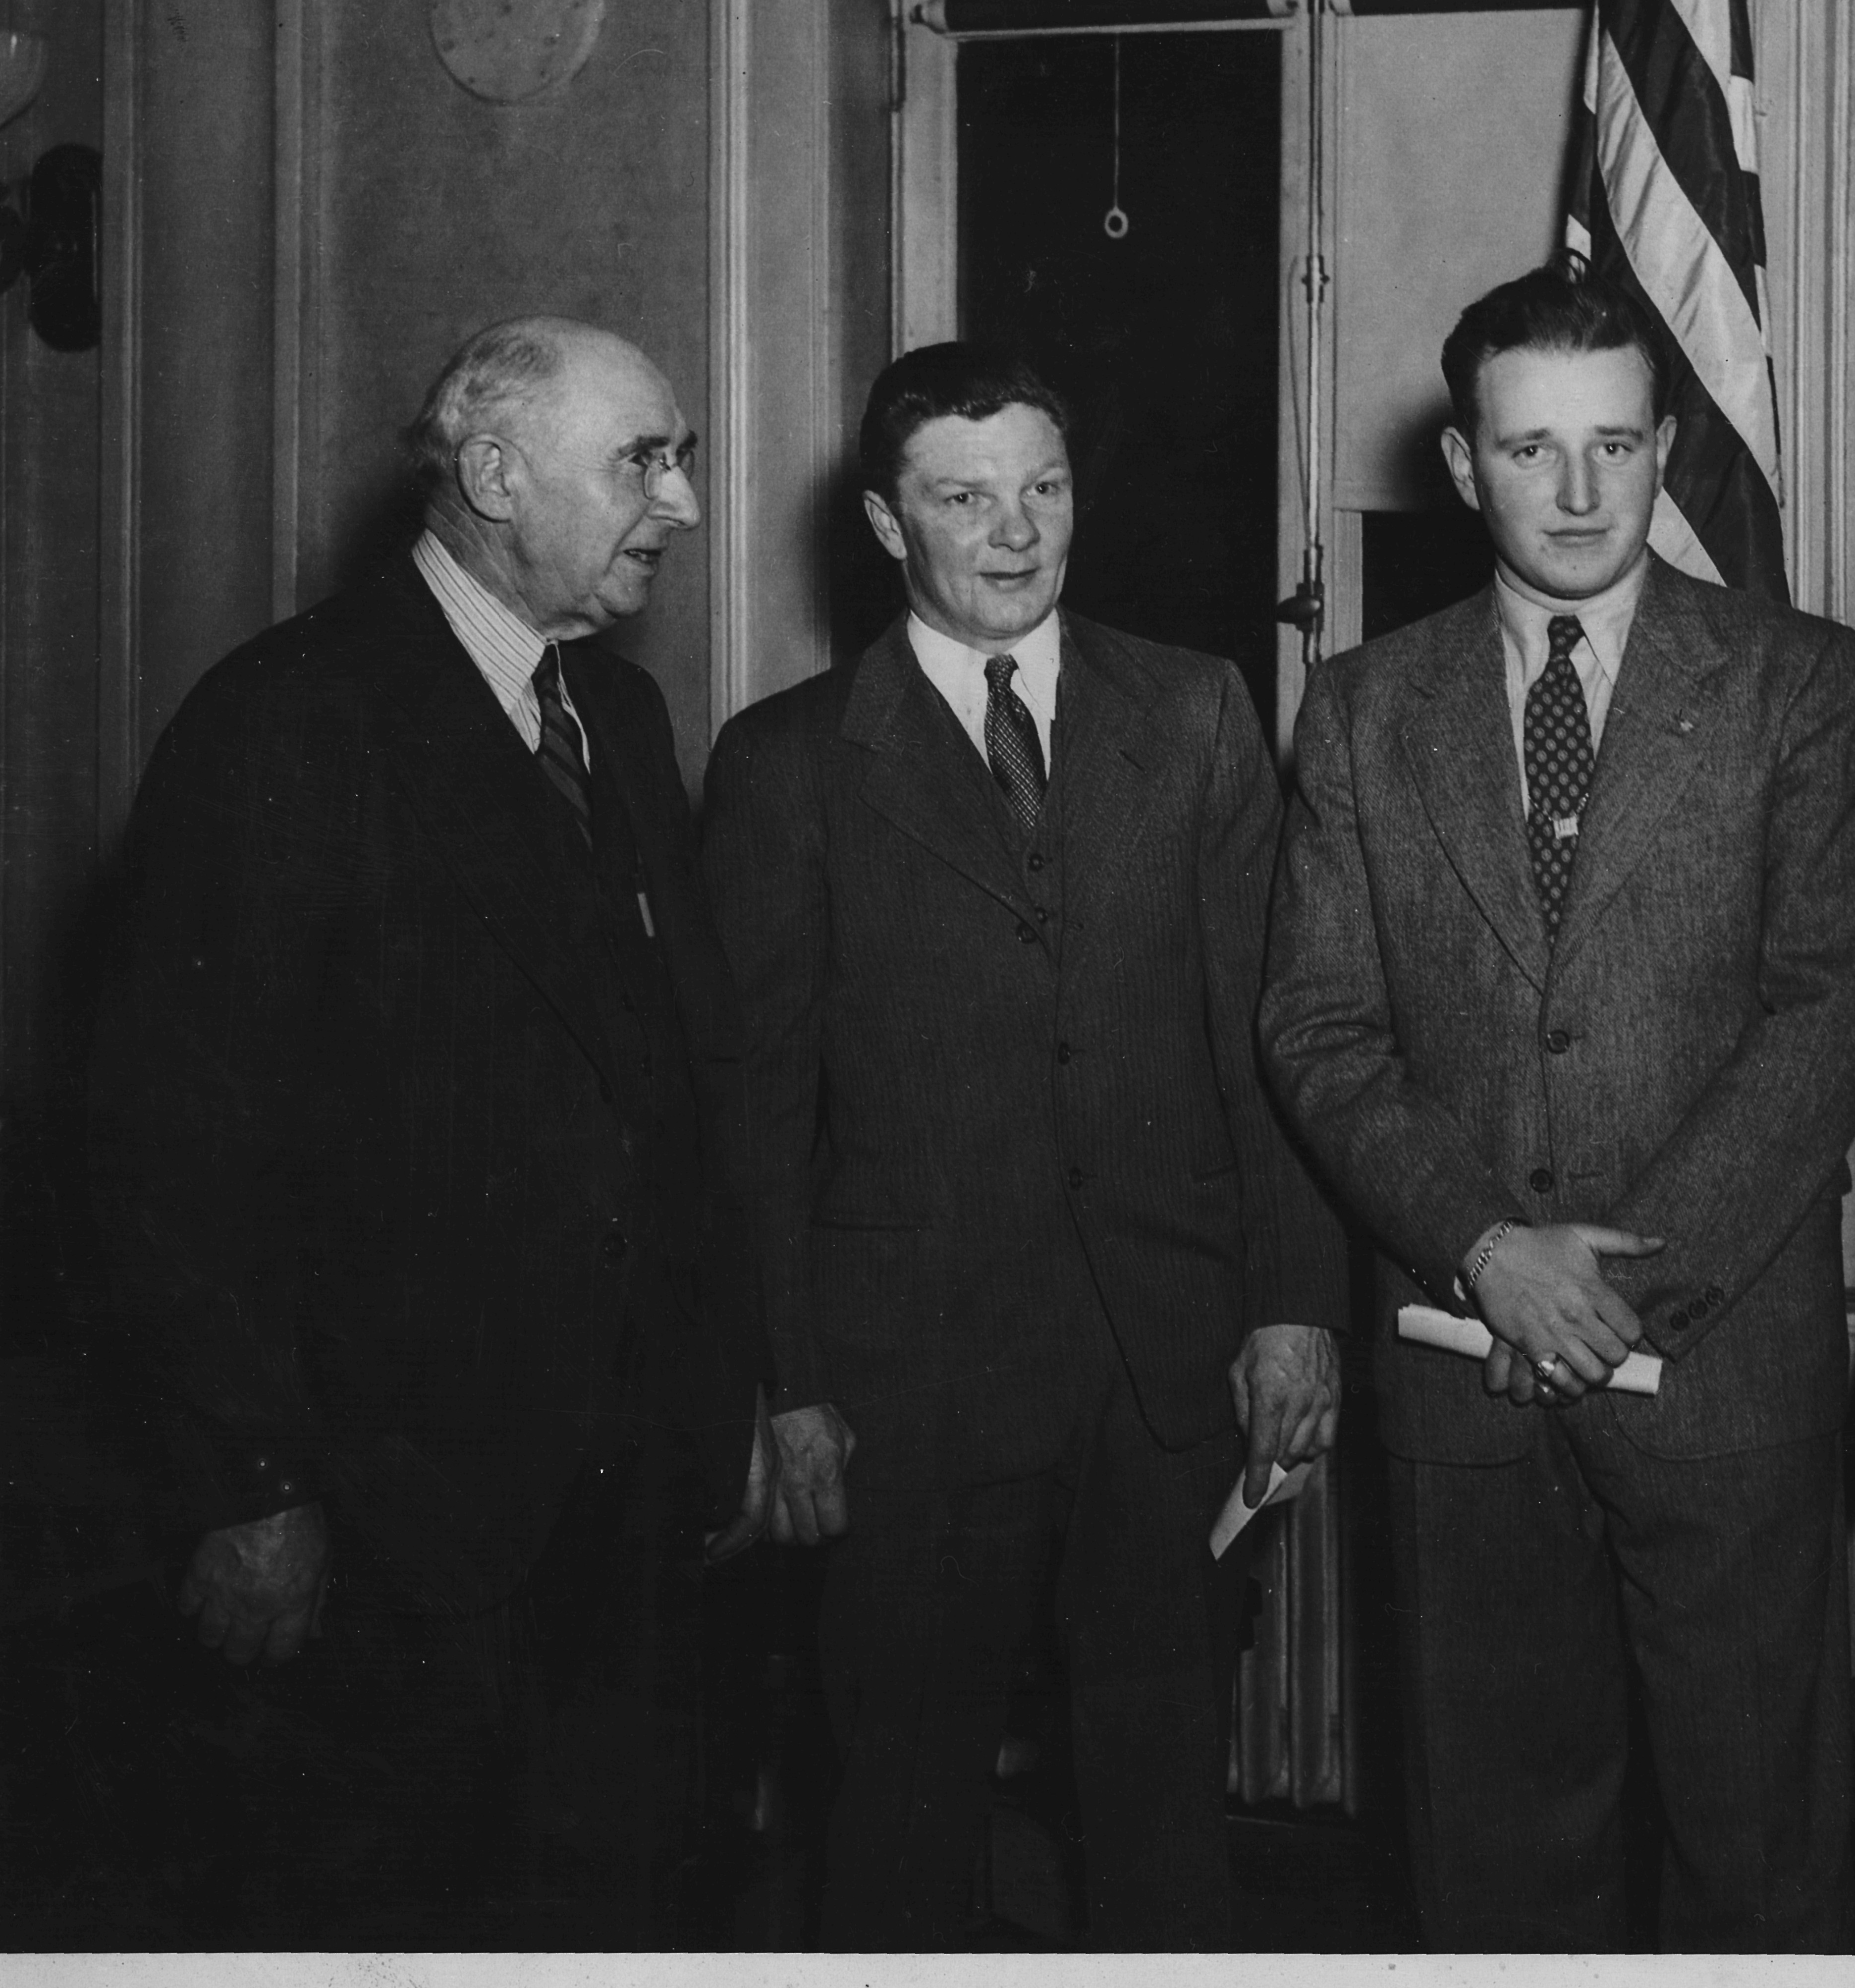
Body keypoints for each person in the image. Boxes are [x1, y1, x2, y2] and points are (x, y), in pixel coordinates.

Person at [89, 316, 841, 1947]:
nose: (683, 503)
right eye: (643, 461)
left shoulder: (618, 721)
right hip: (396, 1522)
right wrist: (252, 1484)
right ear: (495, 474)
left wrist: (731, 1393)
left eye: (680, 460)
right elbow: (178, 1148)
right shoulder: (286, 717)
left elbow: (683, 1101)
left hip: (628, 1511)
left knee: (623, 1911)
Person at [1259, 267, 1855, 1951]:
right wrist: (1485, 1249)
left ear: (1666, 446)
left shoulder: (1794, 680)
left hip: (1723, 1366)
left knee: (1757, 1857)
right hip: (1461, 1373)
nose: (1578, 490)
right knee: (1494, 1865)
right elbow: (1319, 1027)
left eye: (1614, 443)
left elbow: (1824, 1013)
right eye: (1530, 448)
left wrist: (1607, 1296)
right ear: (1460, 462)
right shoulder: (1362, 706)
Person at [700, 341, 1347, 1951]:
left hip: (1161, 1368)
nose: (1012, 532)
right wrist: (786, 1384)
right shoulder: (788, 761)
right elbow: (756, 1111)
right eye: (963, 497)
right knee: (900, 1818)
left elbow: (1266, 1039)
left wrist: (1291, 1304)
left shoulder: (1194, 711)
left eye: (1041, 489)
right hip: (909, 1388)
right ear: (884, 522)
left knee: (1162, 1815)